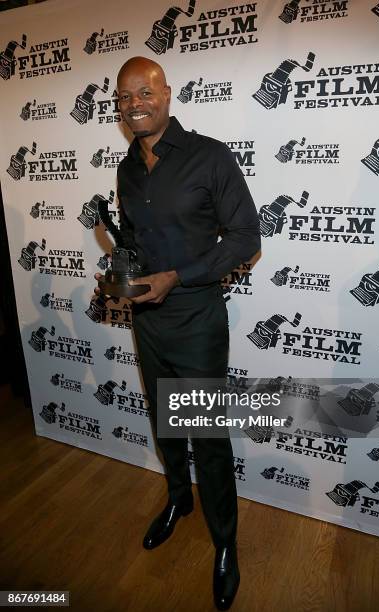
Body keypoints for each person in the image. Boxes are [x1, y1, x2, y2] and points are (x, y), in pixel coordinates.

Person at [95, 56, 260, 610]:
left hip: (196, 321)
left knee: (208, 440)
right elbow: (139, 243)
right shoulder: (126, 168)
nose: (134, 103)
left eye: (144, 91)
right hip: (148, 321)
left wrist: (178, 278)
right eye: (124, 97)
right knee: (167, 426)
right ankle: (177, 501)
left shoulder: (210, 157)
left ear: (167, 93)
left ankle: (224, 542)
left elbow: (245, 240)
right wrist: (122, 276)